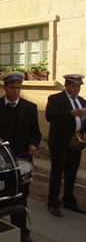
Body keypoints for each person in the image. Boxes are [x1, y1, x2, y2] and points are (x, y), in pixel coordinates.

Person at [0, 71, 41, 242]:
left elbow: (35, 132)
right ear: (5, 88)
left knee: (21, 198)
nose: (16, 91)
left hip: (21, 160)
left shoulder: (30, 108)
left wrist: (33, 144)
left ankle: (22, 232)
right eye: (12, 88)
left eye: (18, 88)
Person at [46, 74, 86, 216]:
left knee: (72, 172)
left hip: (76, 143)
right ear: (66, 86)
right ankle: (53, 202)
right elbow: (49, 116)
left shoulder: (82, 101)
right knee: (57, 173)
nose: (76, 89)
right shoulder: (55, 99)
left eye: (78, 86)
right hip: (59, 143)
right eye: (73, 86)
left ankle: (69, 200)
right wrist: (70, 113)